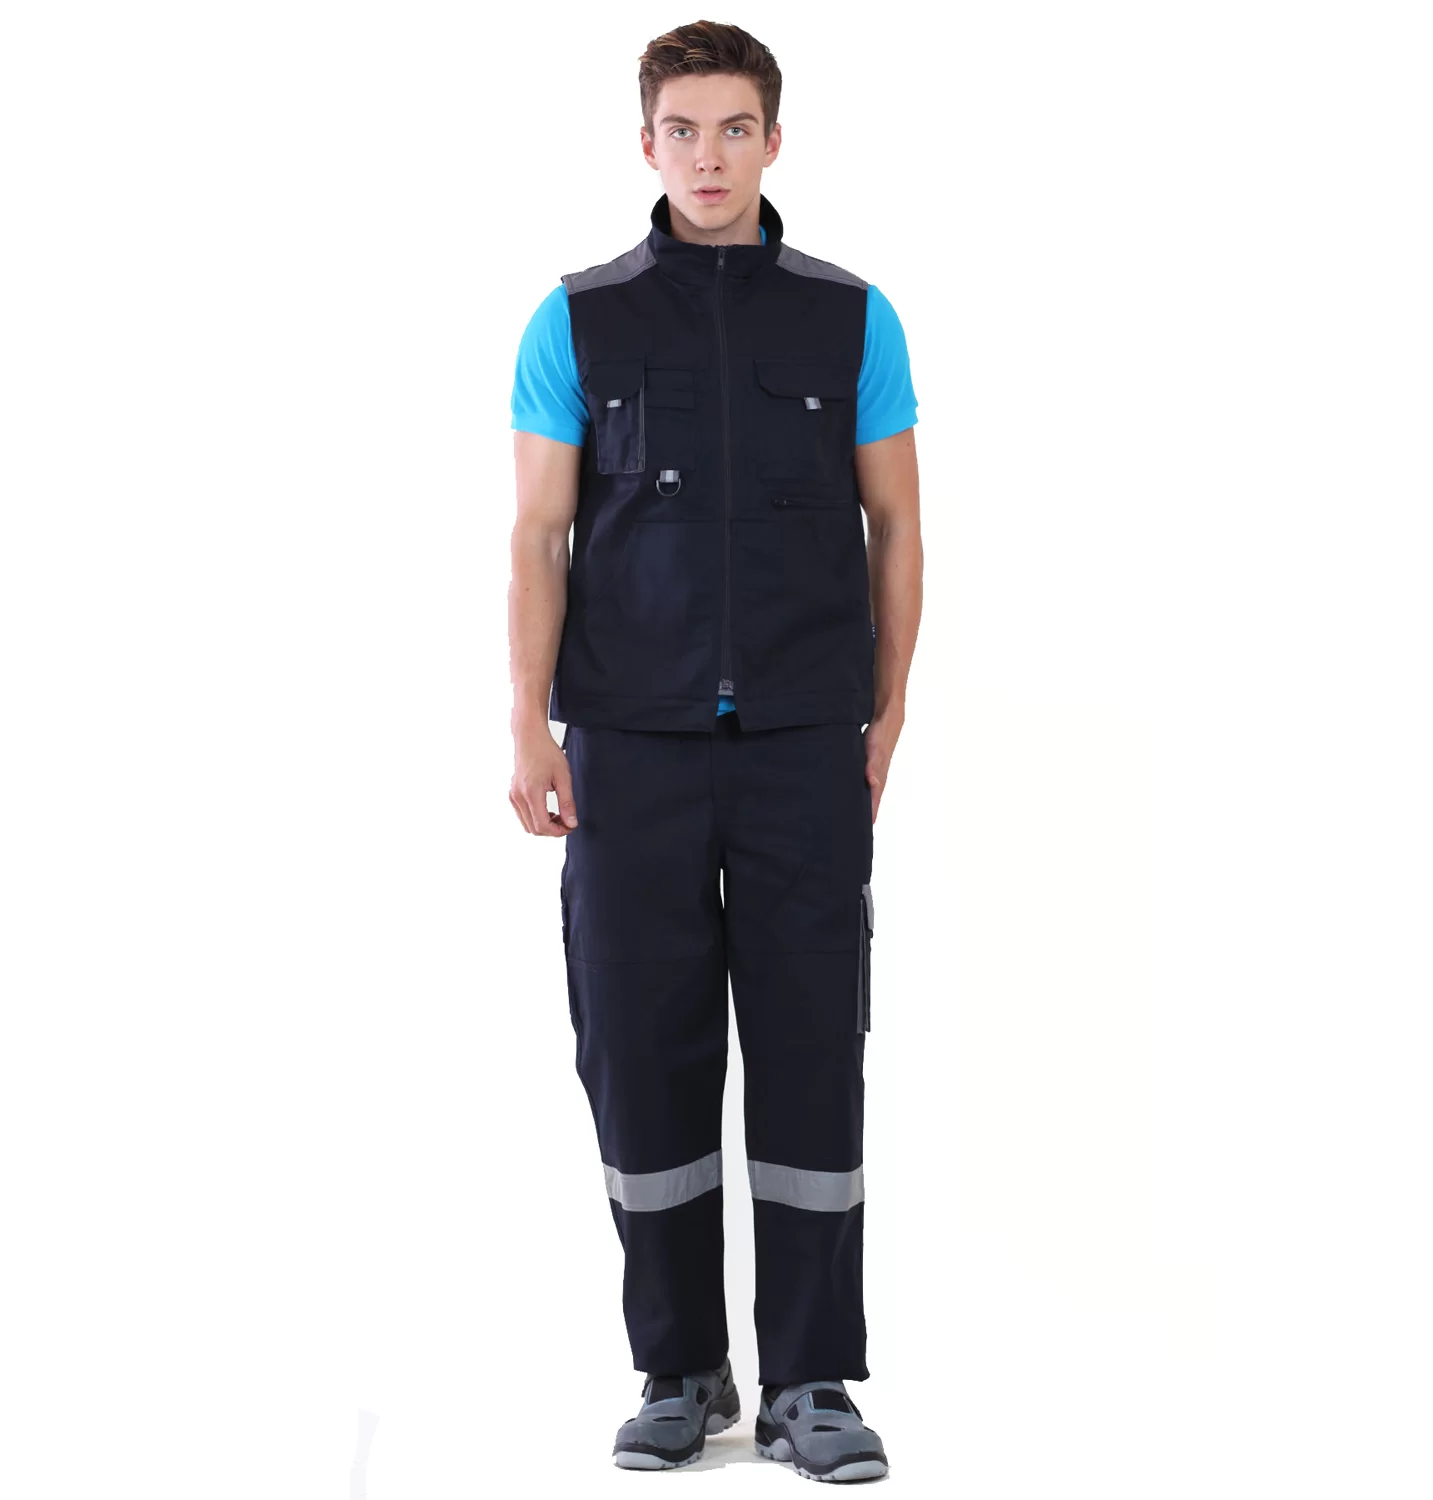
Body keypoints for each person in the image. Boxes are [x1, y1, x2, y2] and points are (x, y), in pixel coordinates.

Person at [507, 20, 921, 1484]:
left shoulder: (853, 319)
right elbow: (537, 533)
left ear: (773, 141)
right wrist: (527, 719)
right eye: (682, 129)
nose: (708, 155)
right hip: (629, 746)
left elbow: (898, 524)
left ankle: (812, 1381)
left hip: (805, 746)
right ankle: (679, 1366)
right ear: (647, 144)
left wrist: (885, 713)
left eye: (735, 128)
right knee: (640, 1053)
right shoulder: (577, 321)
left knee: (811, 1052)